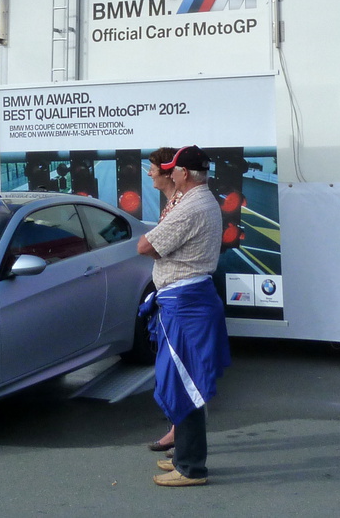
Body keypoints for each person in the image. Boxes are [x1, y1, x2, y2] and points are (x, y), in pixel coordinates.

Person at [137, 145, 231, 487]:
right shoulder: (199, 200)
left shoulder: (192, 206)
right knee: (183, 380)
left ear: (184, 173)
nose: (167, 173)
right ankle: (183, 457)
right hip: (186, 301)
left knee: (185, 383)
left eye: (173, 169)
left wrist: (153, 244)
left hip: (185, 305)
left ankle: (191, 467)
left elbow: (145, 246)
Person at [143, 146, 183, 454]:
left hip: (180, 297)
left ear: (169, 173)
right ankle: (178, 432)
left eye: (153, 169)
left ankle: (185, 444)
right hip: (171, 293)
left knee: (179, 371)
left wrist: (154, 247)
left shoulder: (182, 206)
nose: (149, 174)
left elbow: (150, 247)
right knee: (173, 370)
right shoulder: (172, 202)